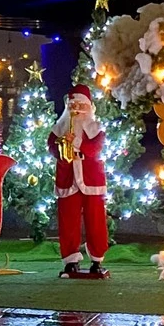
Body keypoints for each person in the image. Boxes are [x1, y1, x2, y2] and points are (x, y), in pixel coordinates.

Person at [50, 83, 110, 278]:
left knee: (96, 220)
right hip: (68, 177)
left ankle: (97, 260)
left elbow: (93, 150)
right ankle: (70, 260)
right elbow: (52, 147)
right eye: (73, 106)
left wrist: (75, 141)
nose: (76, 110)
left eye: (80, 106)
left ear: (88, 107)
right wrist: (62, 146)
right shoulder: (59, 127)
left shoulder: (97, 129)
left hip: (91, 178)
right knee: (68, 220)